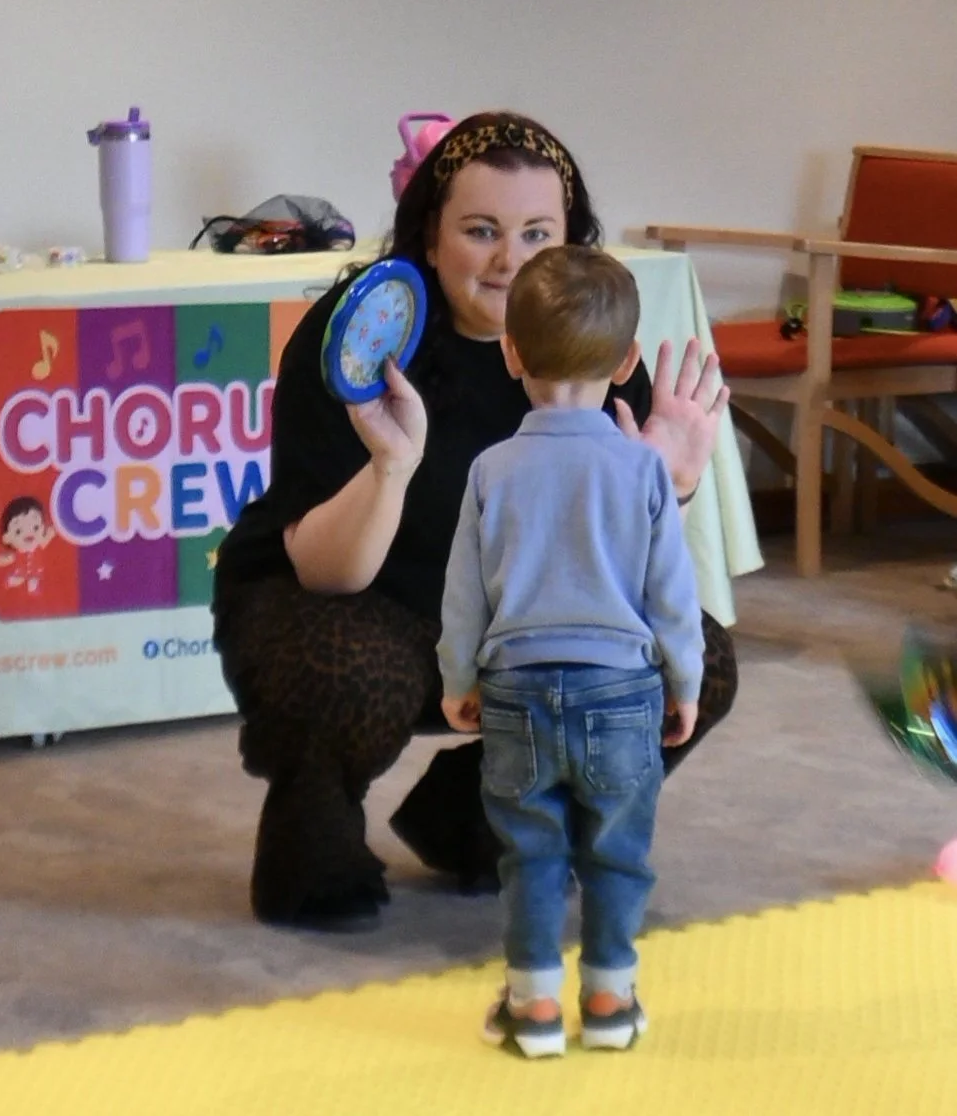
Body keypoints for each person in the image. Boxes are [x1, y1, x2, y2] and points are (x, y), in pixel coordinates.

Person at [212, 110, 736, 930]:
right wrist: (391, 464)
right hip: (357, 602)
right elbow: (326, 571)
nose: (510, 260)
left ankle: (480, 817)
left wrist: (667, 486)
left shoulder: (589, 339)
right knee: (340, 667)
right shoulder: (362, 336)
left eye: (536, 232)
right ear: (428, 236)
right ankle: (311, 845)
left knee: (695, 660)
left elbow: (616, 573)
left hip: (514, 624)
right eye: (480, 230)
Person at [438, 245, 703, 1056]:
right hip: (621, 690)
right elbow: (671, 593)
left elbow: (464, 594)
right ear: (627, 363)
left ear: (511, 351)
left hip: (515, 688)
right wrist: (682, 682)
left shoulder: (492, 469)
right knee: (617, 851)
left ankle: (535, 1007)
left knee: (531, 852)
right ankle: (611, 997)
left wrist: (458, 678)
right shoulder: (642, 469)